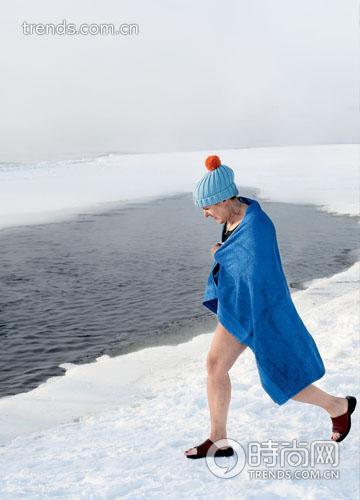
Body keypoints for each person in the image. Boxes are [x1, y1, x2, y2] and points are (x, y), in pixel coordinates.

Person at [184, 155, 357, 459]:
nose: (206, 215)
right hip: (239, 309)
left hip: (264, 312)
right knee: (214, 367)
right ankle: (218, 440)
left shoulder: (257, 227)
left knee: (282, 376)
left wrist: (222, 256)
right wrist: (224, 254)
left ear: (224, 199)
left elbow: (257, 274)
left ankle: (338, 406)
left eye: (207, 207)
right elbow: (239, 264)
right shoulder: (233, 217)